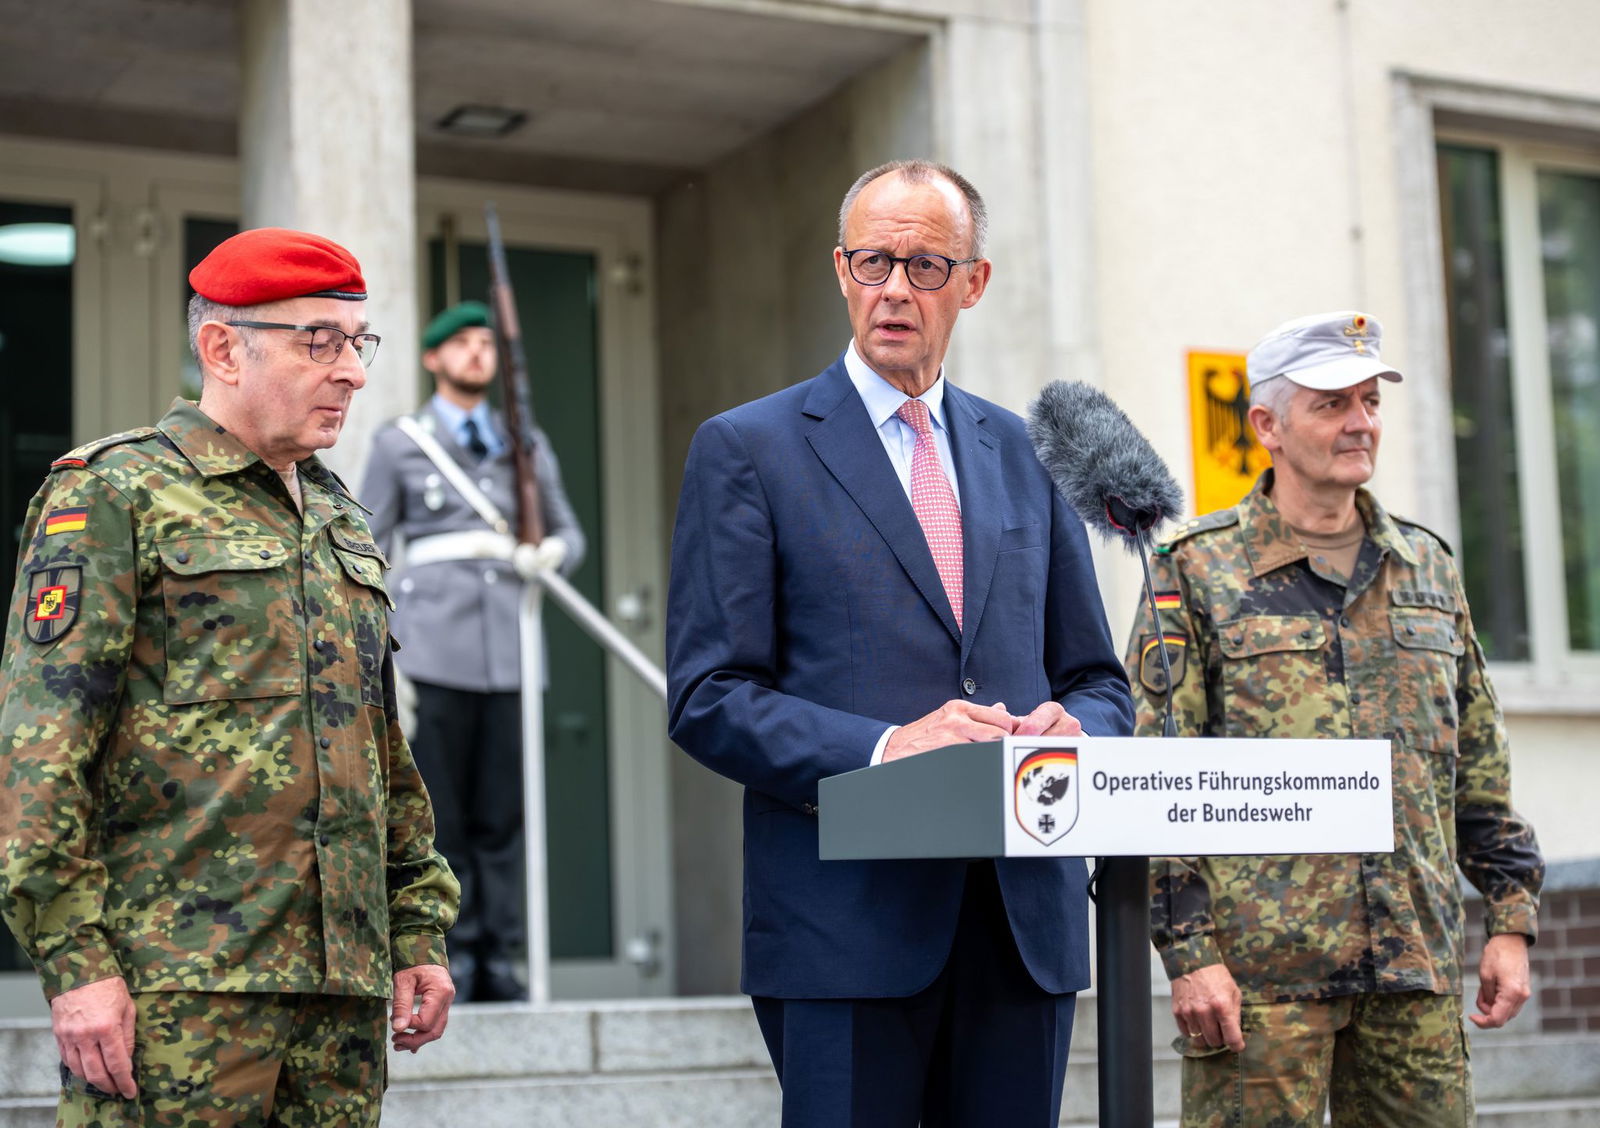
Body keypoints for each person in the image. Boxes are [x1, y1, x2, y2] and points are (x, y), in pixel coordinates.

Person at [666, 159, 1134, 1127]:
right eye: (873, 260)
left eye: (924, 266)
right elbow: (709, 695)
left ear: (973, 282)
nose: (893, 289)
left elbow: (1096, 679)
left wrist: (1074, 732)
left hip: (1019, 927)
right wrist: (888, 750)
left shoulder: (1029, 455)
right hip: (845, 930)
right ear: (839, 269)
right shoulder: (749, 450)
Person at [0, 227, 460, 1126]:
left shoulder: (339, 517)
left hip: (343, 988)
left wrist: (417, 925)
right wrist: (75, 962)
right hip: (179, 987)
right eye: (319, 340)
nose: (353, 373)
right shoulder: (113, 491)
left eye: (357, 343)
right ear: (222, 347)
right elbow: (38, 748)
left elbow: (380, 748)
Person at [1127, 310, 1544, 1127]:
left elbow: (1480, 771)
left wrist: (1510, 921)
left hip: (1412, 977)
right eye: (1331, 404)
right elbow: (1157, 781)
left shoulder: (1428, 568)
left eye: (1369, 401)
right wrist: (1190, 956)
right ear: (1266, 426)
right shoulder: (1196, 572)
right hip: (1260, 988)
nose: (1360, 422)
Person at [362, 301, 584, 1002]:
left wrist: (549, 552)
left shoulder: (525, 442)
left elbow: (568, 533)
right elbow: (367, 539)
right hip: (434, 653)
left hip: (511, 655)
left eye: (487, 343)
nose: (477, 354)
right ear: (434, 358)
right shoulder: (402, 442)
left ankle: (500, 955)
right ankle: (444, 951)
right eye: (461, 342)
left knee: (504, 816)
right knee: (441, 815)